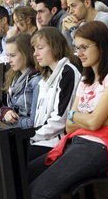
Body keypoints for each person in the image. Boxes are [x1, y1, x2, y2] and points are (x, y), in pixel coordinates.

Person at [29, 21, 108, 199]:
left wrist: (82, 117)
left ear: (101, 46)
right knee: (22, 178)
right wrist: (89, 118)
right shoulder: (86, 80)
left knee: (39, 196)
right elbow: (70, 125)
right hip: (78, 142)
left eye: (84, 47)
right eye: (77, 47)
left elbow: (90, 122)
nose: (79, 52)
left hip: (103, 147)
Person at [29, 28, 81, 160]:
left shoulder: (68, 72)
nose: (35, 54)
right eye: (34, 49)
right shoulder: (46, 76)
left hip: (56, 143)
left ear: (54, 47)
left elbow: (59, 120)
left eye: (40, 48)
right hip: (42, 139)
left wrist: (30, 135)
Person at [0, 33, 41, 127]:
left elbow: (33, 122)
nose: (9, 60)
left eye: (13, 55)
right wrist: (6, 112)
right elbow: (11, 108)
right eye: (8, 55)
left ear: (27, 54)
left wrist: (1, 120)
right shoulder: (14, 77)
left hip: (28, 136)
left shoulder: (37, 80)